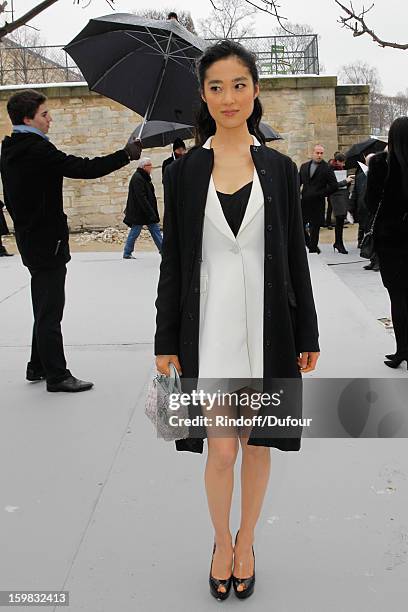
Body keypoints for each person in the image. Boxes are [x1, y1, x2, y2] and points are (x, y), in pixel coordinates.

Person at [154, 39, 320, 601]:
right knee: (221, 447)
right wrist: (164, 339)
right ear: (203, 95)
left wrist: (309, 332)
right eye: (216, 87)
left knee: (258, 444)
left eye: (239, 85)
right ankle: (219, 540)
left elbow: (296, 255)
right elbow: (173, 261)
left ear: (256, 91)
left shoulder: (279, 168)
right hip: (207, 328)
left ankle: (247, 540)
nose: (229, 97)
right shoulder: (181, 174)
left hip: (270, 327)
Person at [0, 89, 142, 392]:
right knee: (51, 309)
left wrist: (26, 228)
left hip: (30, 240)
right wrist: (126, 154)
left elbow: (12, 199)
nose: (50, 118)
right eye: (44, 114)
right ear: (28, 119)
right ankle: (58, 375)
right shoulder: (37, 150)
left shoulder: (11, 147)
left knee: (44, 305)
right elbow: (83, 168)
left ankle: (37, 365)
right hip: (46, 242)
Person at [366, 117, 408, 370]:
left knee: (397, 296)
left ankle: (402, 349)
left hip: (390, 239)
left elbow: (370, 203)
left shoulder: (382, 163)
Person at [299, 144, 338, 253]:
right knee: (300, 226)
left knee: (314, 228)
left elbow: (334, 186)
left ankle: (313, 249)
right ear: (312, 153)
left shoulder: (327, 168)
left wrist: (322, 193)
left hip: (318, 202)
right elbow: (298, 181)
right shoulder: (304, 166)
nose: (319, 155)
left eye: (321, 153)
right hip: (304, 202)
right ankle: (311, 245)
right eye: (317, 153)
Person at [123, 158, 162, 258]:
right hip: (139, 211)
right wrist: (150, 211)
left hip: (146, 211)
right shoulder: (138, 178)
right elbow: (141, 198)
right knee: (135, 231)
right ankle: (127, 253)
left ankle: (164, 251)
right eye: (149, 165)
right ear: (144, 167)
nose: (151, 167)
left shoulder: (144, 177)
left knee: (155, 230)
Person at [350, 153, 380, 270]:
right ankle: (372, 260)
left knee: (376, 237)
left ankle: (378, 261)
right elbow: (355, 193)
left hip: (375, 211)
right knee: (368, 236)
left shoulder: (379, 175)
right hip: (363, 211)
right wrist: (351, 208)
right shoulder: (360, 176)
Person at [328, 152, 354, 254]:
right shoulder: (330, 169)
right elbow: (331, 185)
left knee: (341, 220)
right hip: (336, 197)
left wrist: (349, 181)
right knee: (339, 218)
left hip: (343, 196)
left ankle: (338, 242)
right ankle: (339, 243)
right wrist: (345, 181)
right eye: (342, 163)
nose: (343, 165)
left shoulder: (341, 169)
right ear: (337, 161)